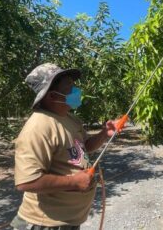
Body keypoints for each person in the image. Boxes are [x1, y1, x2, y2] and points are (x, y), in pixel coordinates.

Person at [10, 63, 116, 229]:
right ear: (52, 96)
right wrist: (73, 182)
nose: (76, 91)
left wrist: (104, 134)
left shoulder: (69, 118)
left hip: (68, 221)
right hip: (43, 224)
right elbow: (26, 182)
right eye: (70, 87)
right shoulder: (38, 127)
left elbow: (85, 146)